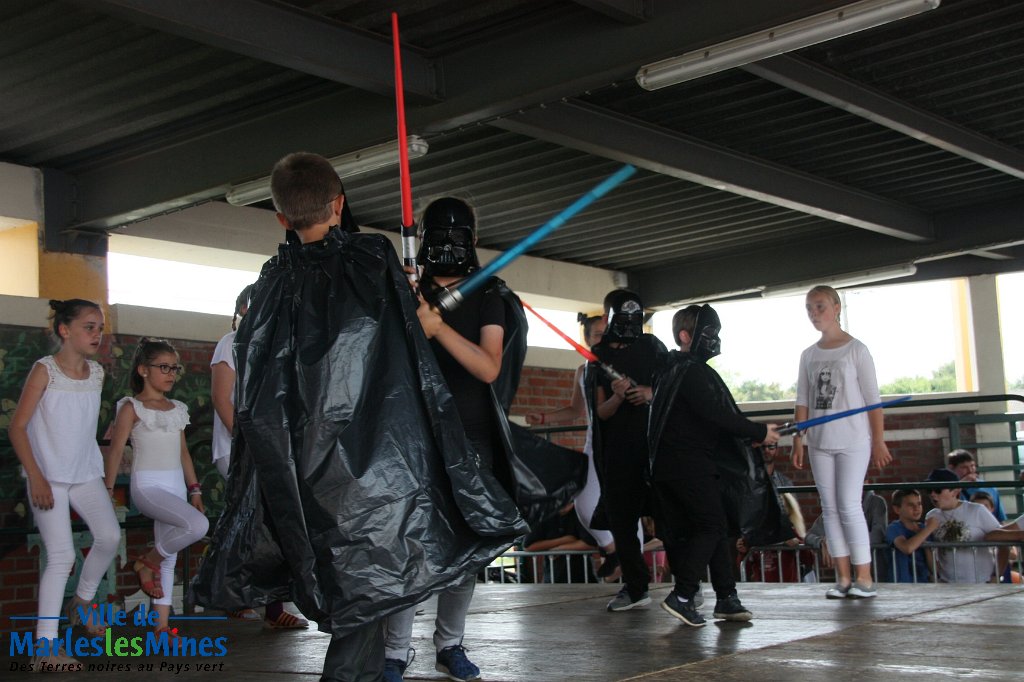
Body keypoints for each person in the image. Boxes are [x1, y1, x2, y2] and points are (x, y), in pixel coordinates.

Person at [191, 154, 525, 682]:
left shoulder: (272, 281)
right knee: (368, 581)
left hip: (305, 464)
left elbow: (260, 380)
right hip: (367, 461)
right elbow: (399, 345)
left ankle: (383, 662)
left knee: (356, 583)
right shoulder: (370, 258)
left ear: (280, 217)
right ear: (340, 203)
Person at [385, 196, 537, 682]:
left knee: (466, 547)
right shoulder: (407, 290)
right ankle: (394, 651)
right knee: (410, 545)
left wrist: (438, 327)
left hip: (471, 438)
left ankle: (450, 643)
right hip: (414, 436)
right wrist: (409, 309)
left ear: (472, 239)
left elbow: (488, 366)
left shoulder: (488, 294)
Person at [648, 304, 781, 626]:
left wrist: (751, 433)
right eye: (708, 334)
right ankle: (683, 595)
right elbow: (716, 415)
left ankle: (726, 598)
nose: (715, 340)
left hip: (674, 465)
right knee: (713, 527)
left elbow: (709, 420)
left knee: (714, 529)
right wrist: (760, 431)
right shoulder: (689, 371)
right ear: (685, 335)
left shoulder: (672, 370)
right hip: (687, 464)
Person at [9, 299, 121, 672]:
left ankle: (82, 603)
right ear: (64, 330)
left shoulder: (96, 374)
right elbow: (17, 427)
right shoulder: (46, 371)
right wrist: (36, 476)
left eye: (100, 327)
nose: (97, 334)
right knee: (61, 558)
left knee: (109, 537)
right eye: (89, 326)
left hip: (84, 473)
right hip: (49, 478)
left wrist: (102, 479)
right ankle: (45, 648)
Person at [209, 284, 309, 629]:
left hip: (265, 450)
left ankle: (269, 606)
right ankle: (233, 596)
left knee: (269, 524)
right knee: (249, 523)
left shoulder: (274, 346)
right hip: (239, 451)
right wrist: (247, 446)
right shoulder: (230, 342)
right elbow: (223, 399)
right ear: (242, 311)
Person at [791, 285, 893, 599]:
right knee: (830, 508)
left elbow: (873, 401)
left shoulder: (856, 350)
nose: (814, 313)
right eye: (809, 308)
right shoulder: (808, 354)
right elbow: (803, 400)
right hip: (820, 441)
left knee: (849, 504)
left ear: (836, 307)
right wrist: (799, 438)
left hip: (853, 438)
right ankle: (843, 577)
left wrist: (879, 440)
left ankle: (864, 576)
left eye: (819, 306)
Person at [104, 339, 209, 640]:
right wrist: (108, 490)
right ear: (143, 370)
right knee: (198, 525)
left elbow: (184, 453)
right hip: (148, 487)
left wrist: (195, 490)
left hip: (176, 487)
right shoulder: (131, 407)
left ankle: (161, 627)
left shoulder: (178, 409)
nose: (171, 374)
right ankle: (145, 562)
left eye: (174, 368)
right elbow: (114, 452)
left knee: (171, 555)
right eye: (163, 367)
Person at [526, 314, 636, 581]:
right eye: (597, 334)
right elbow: (576, 410)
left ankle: (632, 571)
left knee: (629, 508)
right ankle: (613, 552)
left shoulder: (626, 366)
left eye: (606, 332)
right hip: (594, 443)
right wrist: (543, 418)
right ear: (586, 340)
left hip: (625, 443)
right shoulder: (583, 370)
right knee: (584, 501)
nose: (603, 338)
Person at [586, 289, 667, 612]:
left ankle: (689, 585)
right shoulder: (599, 354)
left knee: (669, 516)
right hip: (618, 452)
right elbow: (598, 413)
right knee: (622, 522)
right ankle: (635, 587)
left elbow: (674, 385)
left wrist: (650, 392)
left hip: (655, 447)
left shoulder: (652, 347)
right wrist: (618, 397)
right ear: (608, 319)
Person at [923, 468, 1015, 583]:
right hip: (948, 583)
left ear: (955, 491)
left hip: (980, 581)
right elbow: (929, 549)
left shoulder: (977, 510)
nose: (932, 494)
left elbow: (1003, 543)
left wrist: (996, 575)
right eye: (928, 490)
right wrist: (937, 575)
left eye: (938, 490)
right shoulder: (931, 516)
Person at [884, 489, 935, 583]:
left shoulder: (923, 529)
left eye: (919, 504)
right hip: (901, 583)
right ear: (897, 509)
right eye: (910, 505)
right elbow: (907, 548)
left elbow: (933, 567)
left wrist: (926, 546)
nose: (916, 508)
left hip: (923, 583)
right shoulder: (894, 528)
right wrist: (930, 528)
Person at [947, 449, 1007, 522]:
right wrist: (961, 484)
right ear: (951, 468)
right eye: (964, 467)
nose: (970, 470)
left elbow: (1000, 519)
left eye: (972, 466)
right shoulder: (947, 490)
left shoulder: (990, 488)